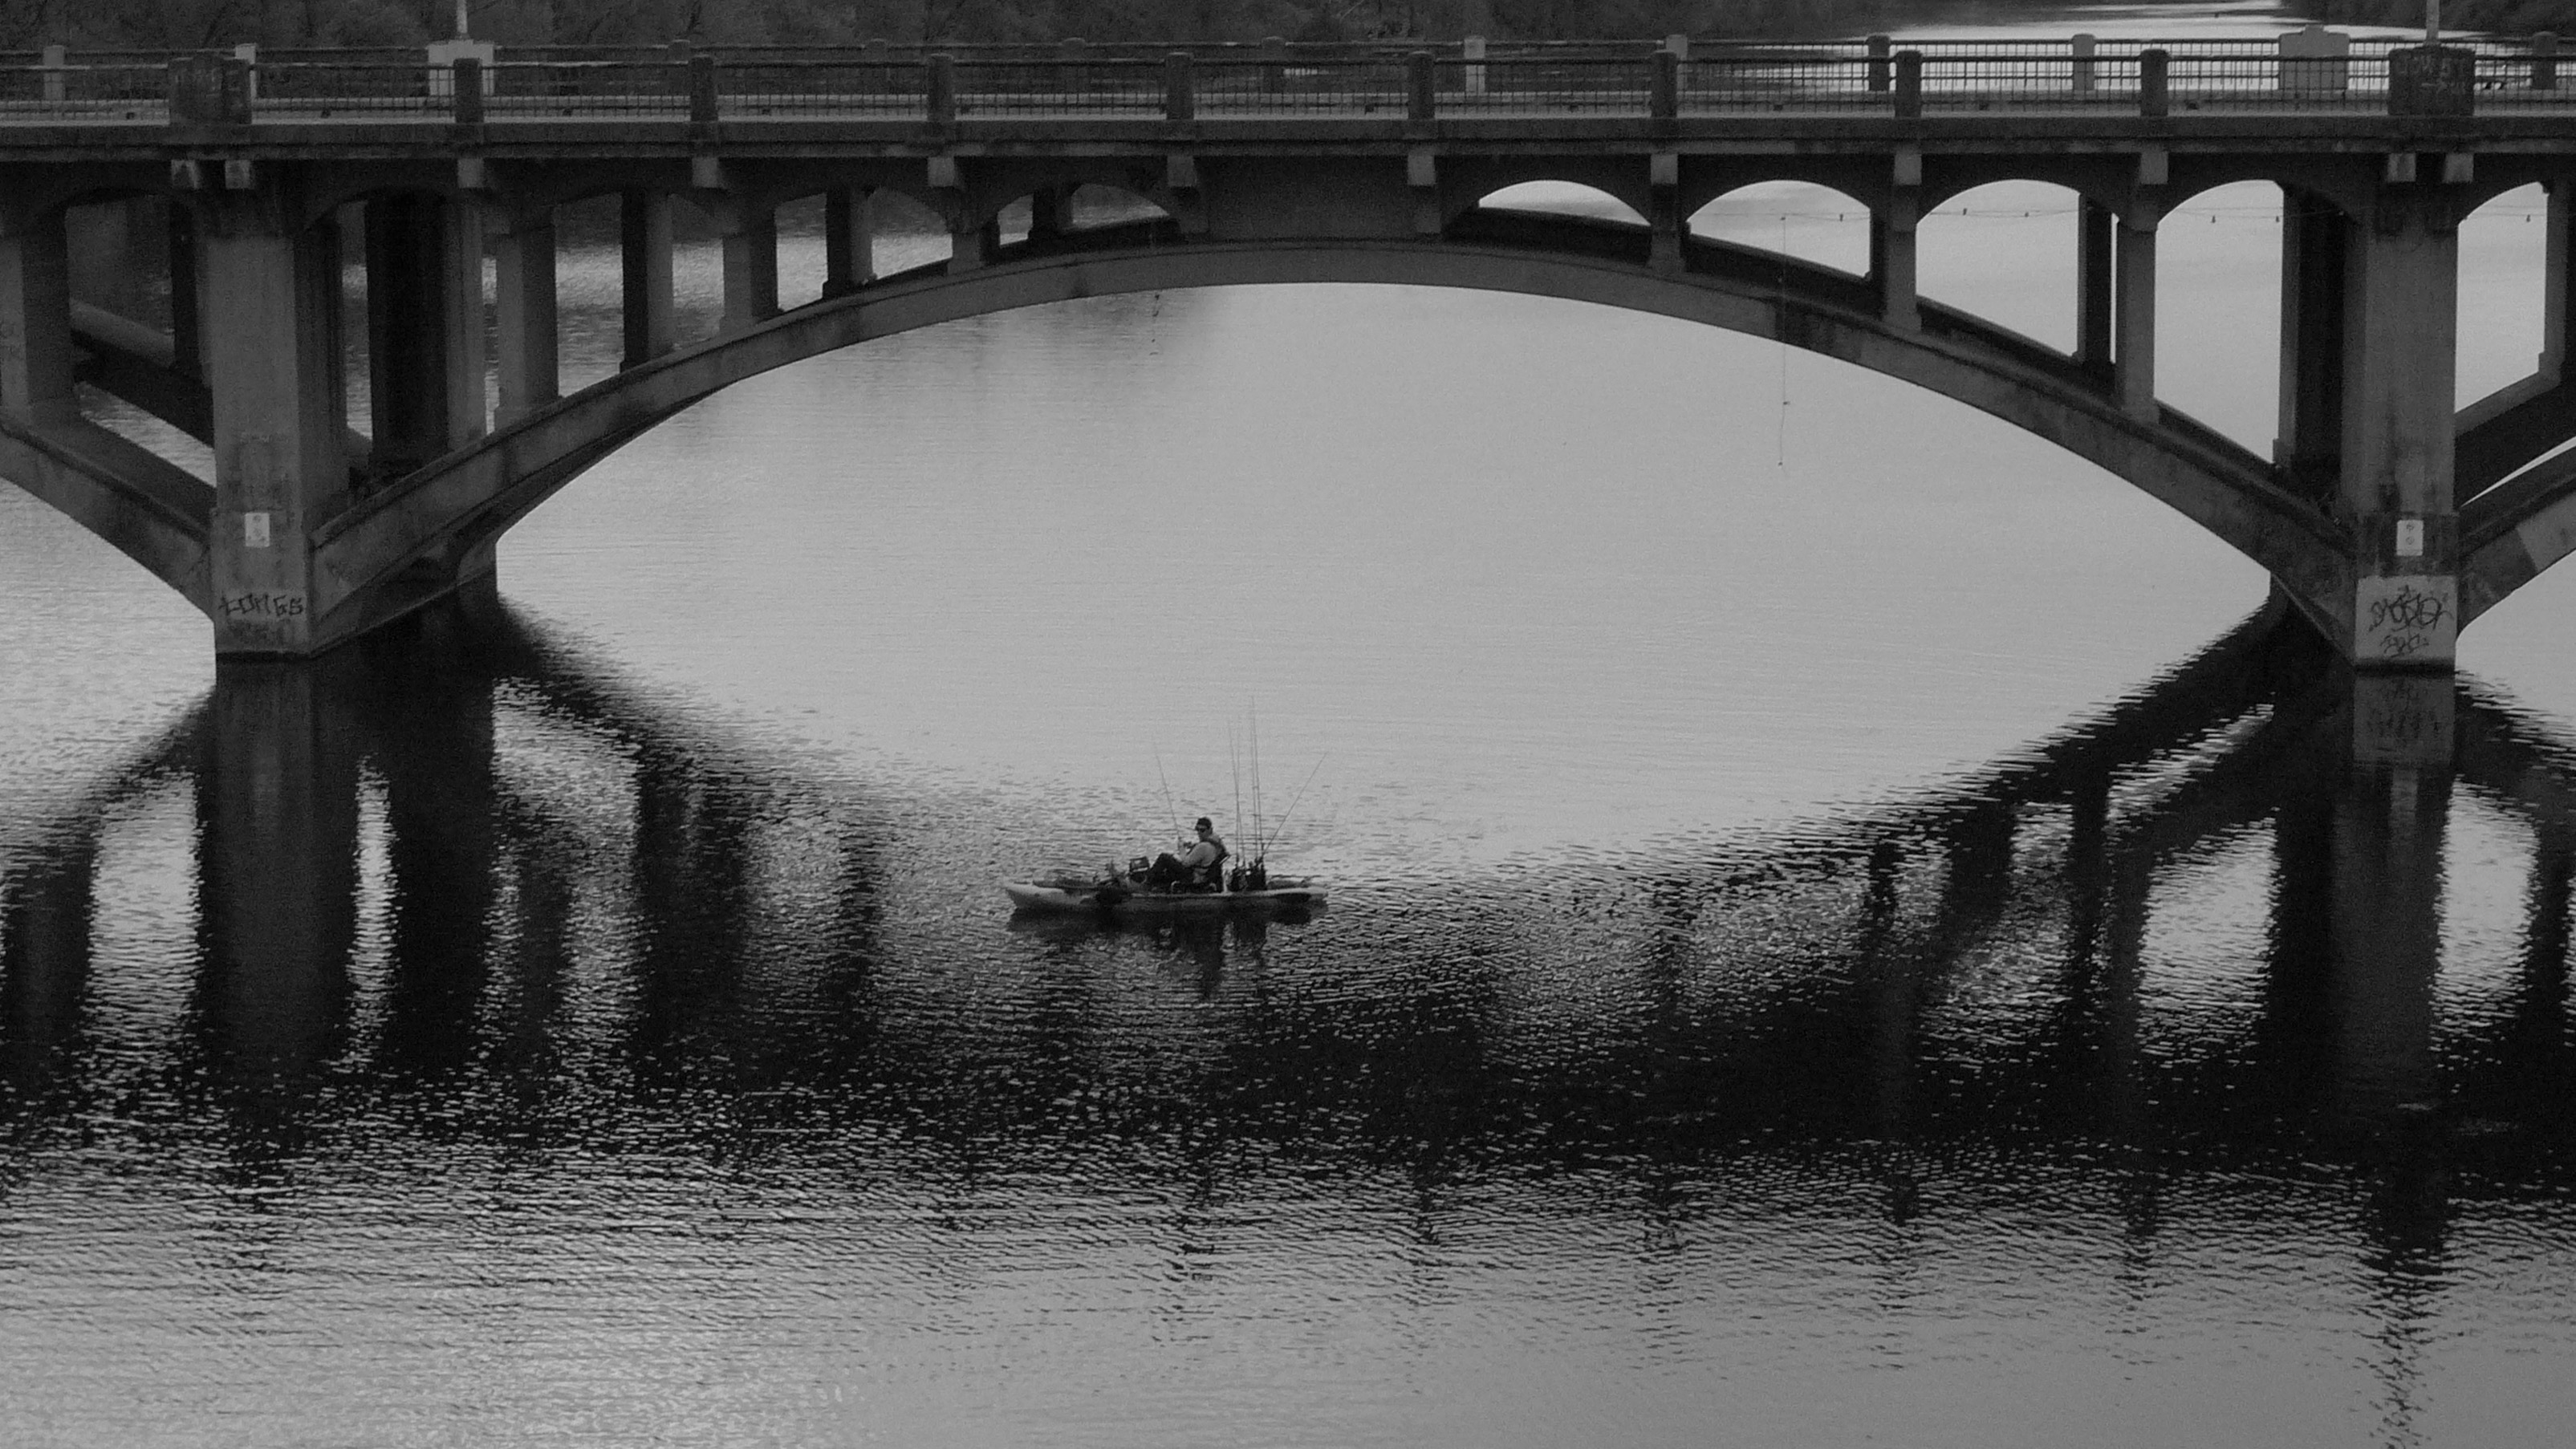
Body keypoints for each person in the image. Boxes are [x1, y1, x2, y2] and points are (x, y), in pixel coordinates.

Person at [1147, 818, 1227, 890]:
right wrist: (1193, 846)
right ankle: (1160, 885)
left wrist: (1181, 848)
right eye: (1197, 829)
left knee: (1164, 858)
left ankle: (1147, 883)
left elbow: (1185, 863)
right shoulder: (1216, 842)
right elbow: (1203, 851)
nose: (1199, 833)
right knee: (1171, 862)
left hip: (1194, 876)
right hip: (1204, 874)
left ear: (1210, 830)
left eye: (1202, 830)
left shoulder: (1203, 847)